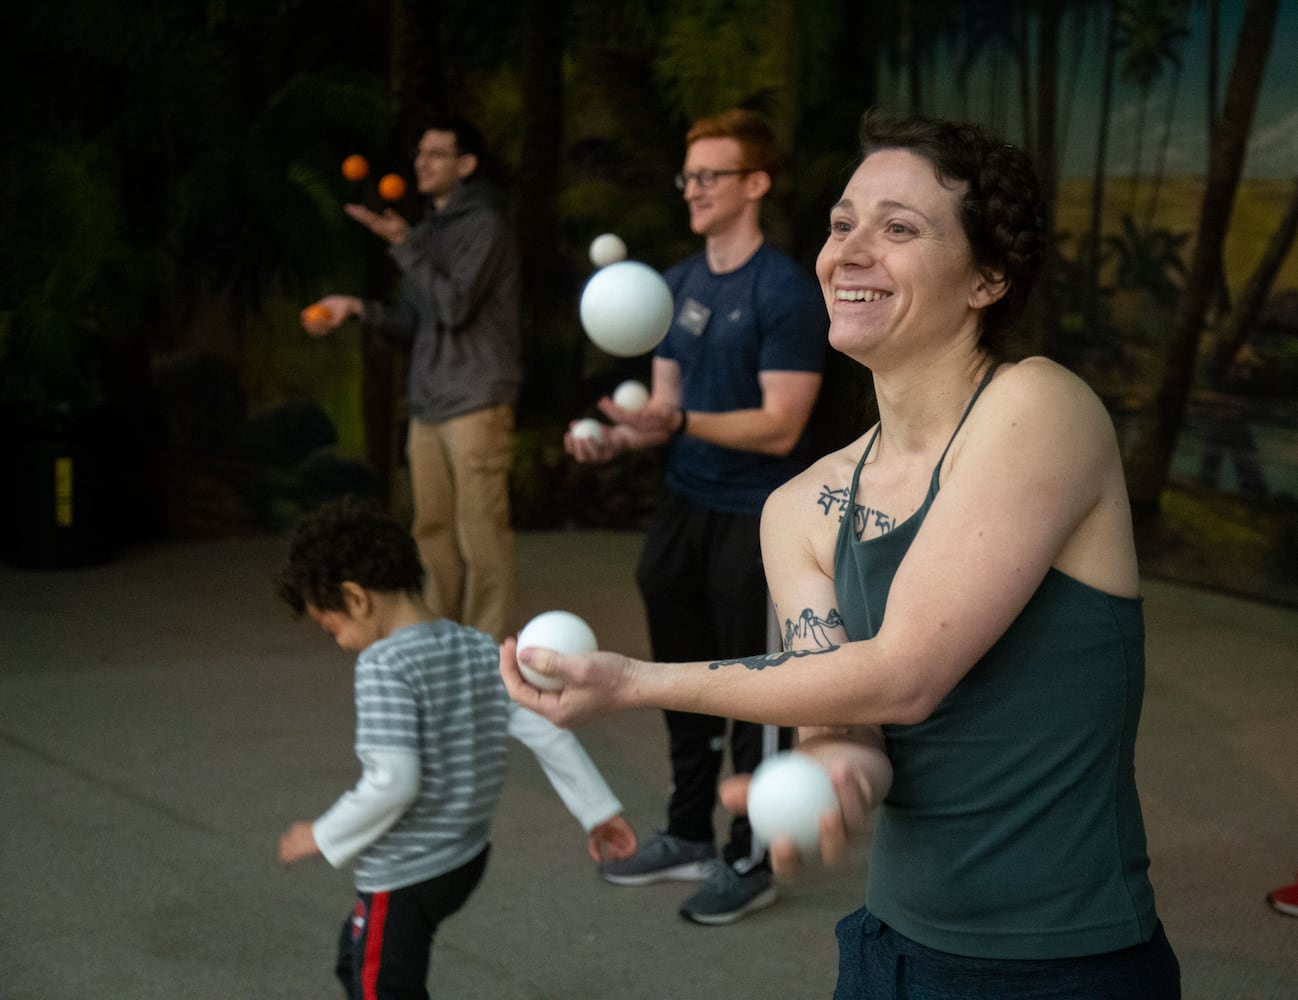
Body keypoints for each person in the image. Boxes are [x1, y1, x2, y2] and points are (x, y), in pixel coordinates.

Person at [503, 108, 1182, 997]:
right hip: (887, 952)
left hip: (1061, 963)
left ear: (988, 278)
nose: (850, 251)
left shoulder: (1040, 409)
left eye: (899, 228)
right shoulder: (799, 506)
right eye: (842, 224)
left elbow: (904, 675)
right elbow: (846, 708)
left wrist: (634, 682)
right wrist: (839, 768)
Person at [565, 108, 829, 925]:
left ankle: (750, 855)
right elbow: (667, 406)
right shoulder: (675, 285)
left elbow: (781, 422)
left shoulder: (785, 290)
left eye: (710, 175)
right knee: (682, 678)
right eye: (688, 176)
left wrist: (674, 424)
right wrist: (619, 439)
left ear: (755, 184)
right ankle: (687, 832)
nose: (693, 189)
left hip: (760, 516)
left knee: (753, 688)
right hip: (687, 503)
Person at [275, 496, 636, 999]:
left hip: (406, 870)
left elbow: (394, 783)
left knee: (380, 986)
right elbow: (547, 729)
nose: (339, 642)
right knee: (356, 957)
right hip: (463, 858)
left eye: (332, 627)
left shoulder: (383, 665)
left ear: (356, 599)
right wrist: (598, 811)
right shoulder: (475, 645)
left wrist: (322, 834)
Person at [302, 116, 521, 640]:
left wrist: (402, 242)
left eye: (437, 154)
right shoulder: (426, 233)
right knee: (431, 534)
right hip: (429, 404)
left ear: (465, 165)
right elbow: (413, 320)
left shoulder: (484, 227)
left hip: (476, 399)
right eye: (420, 153)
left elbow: (452, 307)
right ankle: (439, 646)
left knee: (480, 537)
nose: (421, 163)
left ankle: (484, 654)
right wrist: (355, 307)